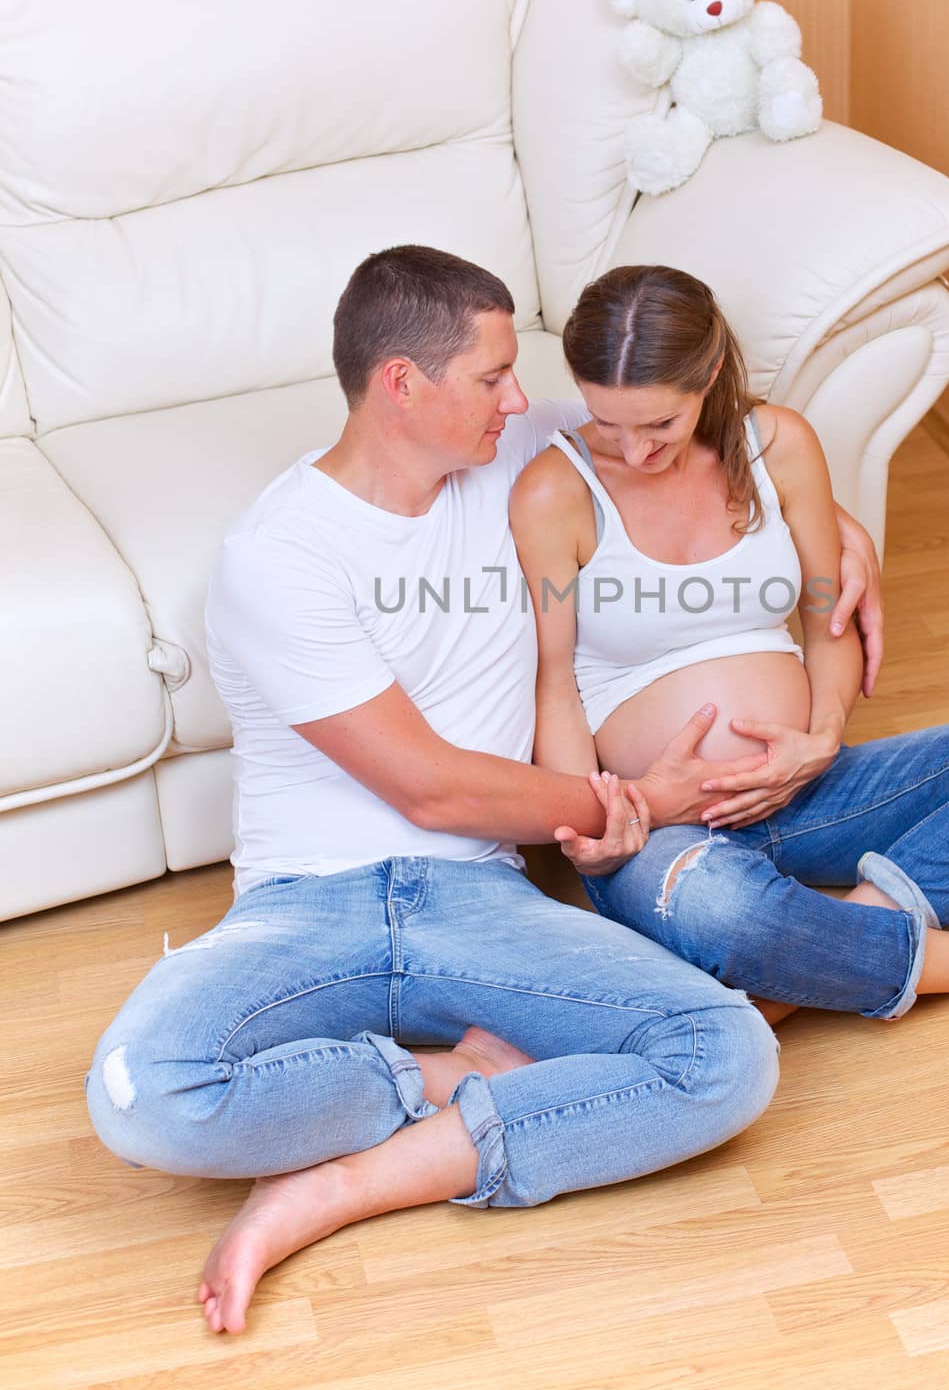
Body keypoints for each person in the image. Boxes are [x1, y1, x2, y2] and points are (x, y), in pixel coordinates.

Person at [86, 246, 818, 1335]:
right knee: (144, 1095)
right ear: (400, 385)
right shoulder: (280, 554)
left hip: (481, 902)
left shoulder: (526, 447)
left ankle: (338, 1186)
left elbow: (700, 438)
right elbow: (429, 790)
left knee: (728, 1055)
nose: (523, 398)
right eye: (492, 376)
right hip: (305, 904)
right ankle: (446, 1077)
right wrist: (640, 801)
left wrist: (833, 541)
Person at [509, 264, 949, 1028]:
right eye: (607, 423)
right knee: (725, 912)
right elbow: (554, 684)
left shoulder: (777, 445)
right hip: (662, 826)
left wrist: (820, 737)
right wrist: (600, 833)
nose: (633, 451)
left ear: (708, 374)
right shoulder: (555, 491)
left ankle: (826, 950)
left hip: (810, 789)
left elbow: (824, 622)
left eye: (659, 426)